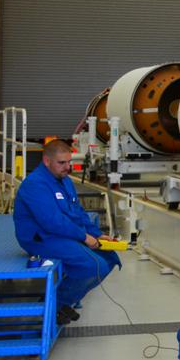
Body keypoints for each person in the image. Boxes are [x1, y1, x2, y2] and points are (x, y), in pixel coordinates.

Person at [13, 138, 120, 326]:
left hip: (60, 234)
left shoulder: (64, 181)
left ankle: (62, 303)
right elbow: (52, 221)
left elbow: (77, 212)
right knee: (94, 265)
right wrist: (83, 237)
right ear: (47, 161)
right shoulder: (35, 184)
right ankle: (52, 307)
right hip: (40, 238)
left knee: (110, 258)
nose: (67, 167)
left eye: (69, 162)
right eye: (62, 163)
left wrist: (95, 233)